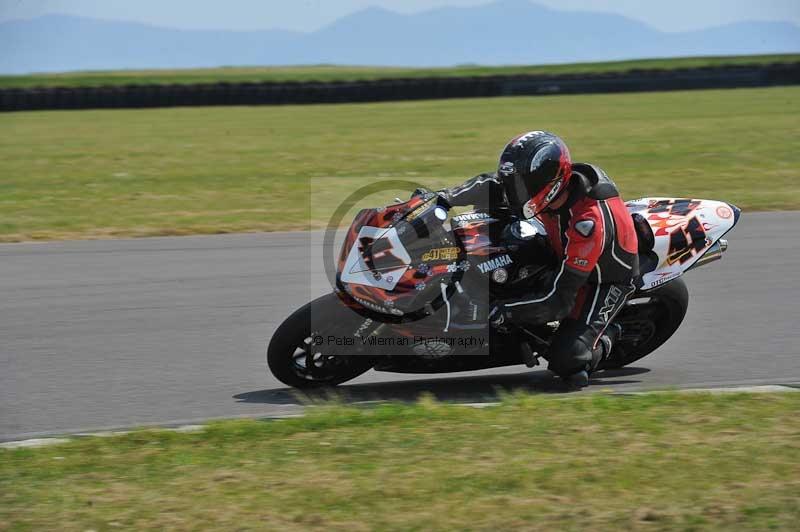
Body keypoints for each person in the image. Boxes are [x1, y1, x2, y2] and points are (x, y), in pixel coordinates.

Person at [438, 131, 639, 387]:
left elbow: (560, 299)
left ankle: (609, 335)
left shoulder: (587, 224)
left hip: (603, 278)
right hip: (559, 249)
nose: (513, 190)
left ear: (550, 183)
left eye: (521, 185)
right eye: (514, 182)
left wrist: (504, 312)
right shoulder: (550, 192)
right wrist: (444, 198)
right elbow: (493, 184)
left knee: (568, 362)